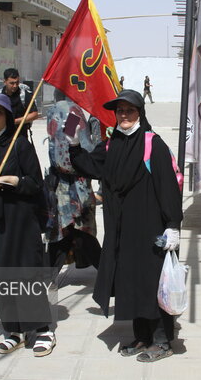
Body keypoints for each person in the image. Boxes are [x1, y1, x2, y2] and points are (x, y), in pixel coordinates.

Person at [68, 89, 183, 363]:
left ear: (140, 113)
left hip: (150, 229)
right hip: (122, 230)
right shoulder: (112, 144)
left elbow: (167, 187)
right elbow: (90, 166)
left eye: (129, 111)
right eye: (120, 111)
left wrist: (173, 225)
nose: (124, 115)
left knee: (152, 283)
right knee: (130, 283)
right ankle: (141, 336)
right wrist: (73, 144)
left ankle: (162, 340)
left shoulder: (152, 144)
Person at [0, 93, 55, 357]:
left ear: (7, 116)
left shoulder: (20, 146)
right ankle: (13, 329)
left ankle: (41, 330)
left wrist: (11, 180)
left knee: (26, 274)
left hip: (22, 223)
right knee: (0, 276)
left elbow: (35, 184)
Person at [45, 98, 101, 270]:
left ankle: (46, 276)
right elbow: (69, 155)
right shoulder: (69, 112)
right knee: (71, 233)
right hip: (70, 188)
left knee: (72, 233)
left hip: (69, 187)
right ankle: (47, 275)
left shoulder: (65, 111)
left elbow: (67, 153)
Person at [0, 68, 39, 141]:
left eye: (17, 82)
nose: (15, 86)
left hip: (20, 136)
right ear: (5, 82)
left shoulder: (24, 95)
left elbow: (34, 114)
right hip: (2, 137)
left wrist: (15, 121)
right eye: (12, 83)